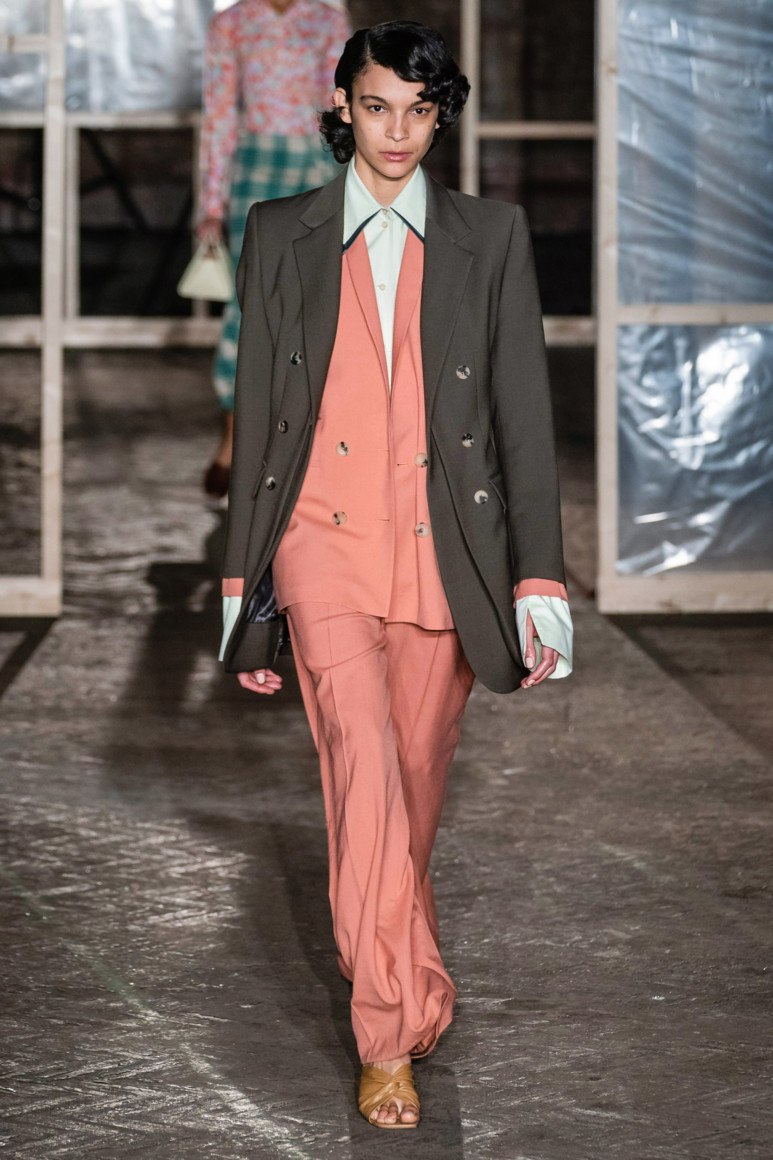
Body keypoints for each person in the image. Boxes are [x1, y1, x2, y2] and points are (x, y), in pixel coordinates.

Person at [217, 20, 574, 1129]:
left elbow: (521, 413)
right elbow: (260, 413)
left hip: (441, 552)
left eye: (419, 111)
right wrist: (238, 590)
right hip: (317, 540)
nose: (397, 132)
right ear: (341, 107)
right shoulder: (279, 231)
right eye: (376, 107)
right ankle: (388, 1032)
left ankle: (404, 971)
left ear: (438, 117)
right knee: (365, 775)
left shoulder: (489, 235)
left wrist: (538, 578)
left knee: (409, 795)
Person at [197, 0, 350, 497]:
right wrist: (211, 203)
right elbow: (219, 114)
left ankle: (314, 445)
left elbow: (342, 107)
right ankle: (233, 438)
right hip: (255, 164)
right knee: (247, 303)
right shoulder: (232, 23)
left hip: (318, 164)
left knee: (320, 301)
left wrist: (356, 185)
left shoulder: (326, 19)